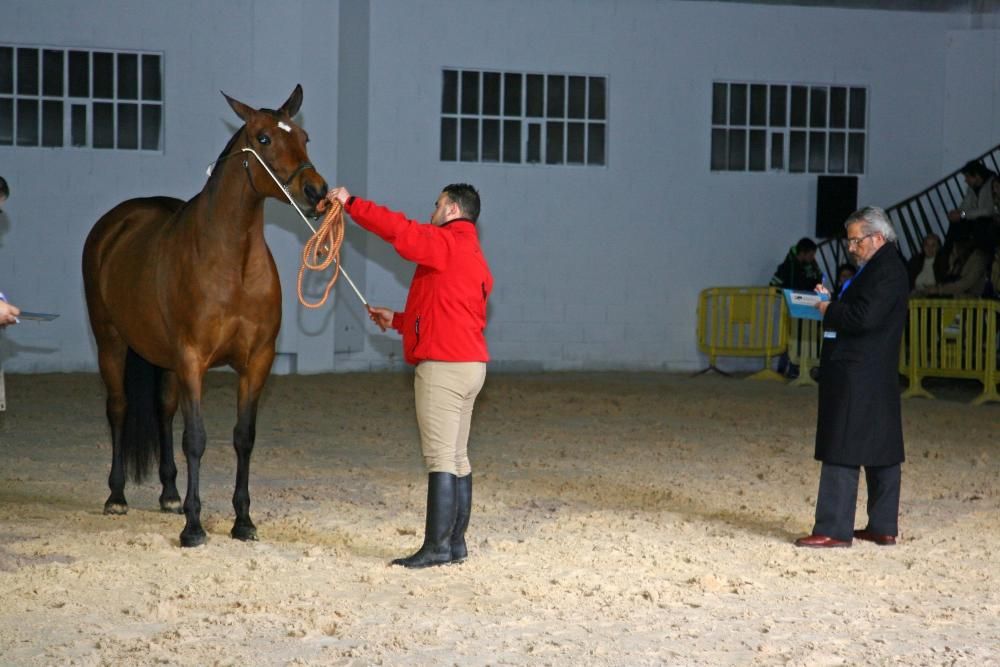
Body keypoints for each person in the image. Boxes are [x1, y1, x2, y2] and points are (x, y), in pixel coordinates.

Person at [326, 183, 493, 569]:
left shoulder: (443, 242)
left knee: (440, 459)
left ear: (452, 208)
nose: (431, 211)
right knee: (457, 457)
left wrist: (351, 204)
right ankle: (455, 544)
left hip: (444, 369)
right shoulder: (474, 255)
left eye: (437, 205)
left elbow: (398, 230)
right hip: (472, 367)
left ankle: (436, 547)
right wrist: (399, 320)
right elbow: (447, 312)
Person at [795, 206, 908, 548]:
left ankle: (833, 528)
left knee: (841, 445)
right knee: (882, 446)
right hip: (875, 369)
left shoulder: (885, 270)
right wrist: (833, 301)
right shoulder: (884, 267)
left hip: (858, 369)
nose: (851, 247)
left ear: (877, 237)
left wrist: (830, 310)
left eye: (856, 240)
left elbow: (863, 318)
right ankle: (883, 526)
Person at [915, 232, 989, 298]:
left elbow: (965, 284)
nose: (929, 248)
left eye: (933, 245)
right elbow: (949, 277)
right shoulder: (956, 256)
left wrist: (939, 289)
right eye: (927, 245)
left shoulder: (978, 258)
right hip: (951, 297)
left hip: (969, 302)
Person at [946, 160, 995, 250]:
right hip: (974, 218)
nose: (965, 180)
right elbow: (966, 203)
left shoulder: (992, 184)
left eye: (967, 177)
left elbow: (988, 211)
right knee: (955, 223)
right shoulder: (972, 188)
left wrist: (962, 214)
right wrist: (958, 212)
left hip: (990, 220)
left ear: (976, 175)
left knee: (980, 224)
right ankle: (947, 252)